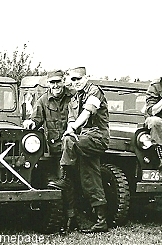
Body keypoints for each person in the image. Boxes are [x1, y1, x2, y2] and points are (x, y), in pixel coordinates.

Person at [48, 67, 109, 233]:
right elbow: (71, 120)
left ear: (86, 77)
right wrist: (71, 127)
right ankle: (101, 221)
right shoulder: (74, 98)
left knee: (68, 140)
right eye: (73, 80)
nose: (75, 82)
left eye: (78, 79)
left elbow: (87, 112)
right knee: (90, 178)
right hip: (83, 140)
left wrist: (73, 128)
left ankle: (66, 178)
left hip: (97, 138)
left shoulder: (94, 91)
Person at [23, 70, 75, 182]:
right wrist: (31, 122)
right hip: (54, 150)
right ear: (48, 83)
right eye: (52, 82)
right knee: (58, 181)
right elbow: (36, 118)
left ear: (63, 81)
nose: (55, 85)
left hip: (73, 148)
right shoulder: (43, 100)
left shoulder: (73, 96)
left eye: (58, 82)